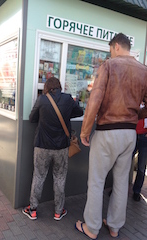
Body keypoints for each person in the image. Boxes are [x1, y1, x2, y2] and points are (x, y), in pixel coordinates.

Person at [75, 33, 147, 239]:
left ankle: (92, 228)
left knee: (96, 181)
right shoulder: (144, 70)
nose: (110, 53)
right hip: (130, 133)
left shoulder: (109, 65)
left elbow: (95, 99)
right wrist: (135, 115)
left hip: (107, 132)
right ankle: (115, 227)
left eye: (110, 49)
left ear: (116, 46)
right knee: (122, 182)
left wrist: (85, 131)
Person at [22, 77, 83, 220]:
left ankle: (33, 210)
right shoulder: (68, 99)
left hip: (42, 145)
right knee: (60, 178)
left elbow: (32, 118)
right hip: (61, 147)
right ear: (59, 87)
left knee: (38, 176)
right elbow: (79, 112)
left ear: (47, 87)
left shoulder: (42, 99)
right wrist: (66, 114)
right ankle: (58, 211)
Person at [132, 117, 147, 201]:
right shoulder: (134, 103)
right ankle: (117, 189)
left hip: (144, 138)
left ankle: (137, 191)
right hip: (132, 135)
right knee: (122, 164)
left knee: (141, 167)